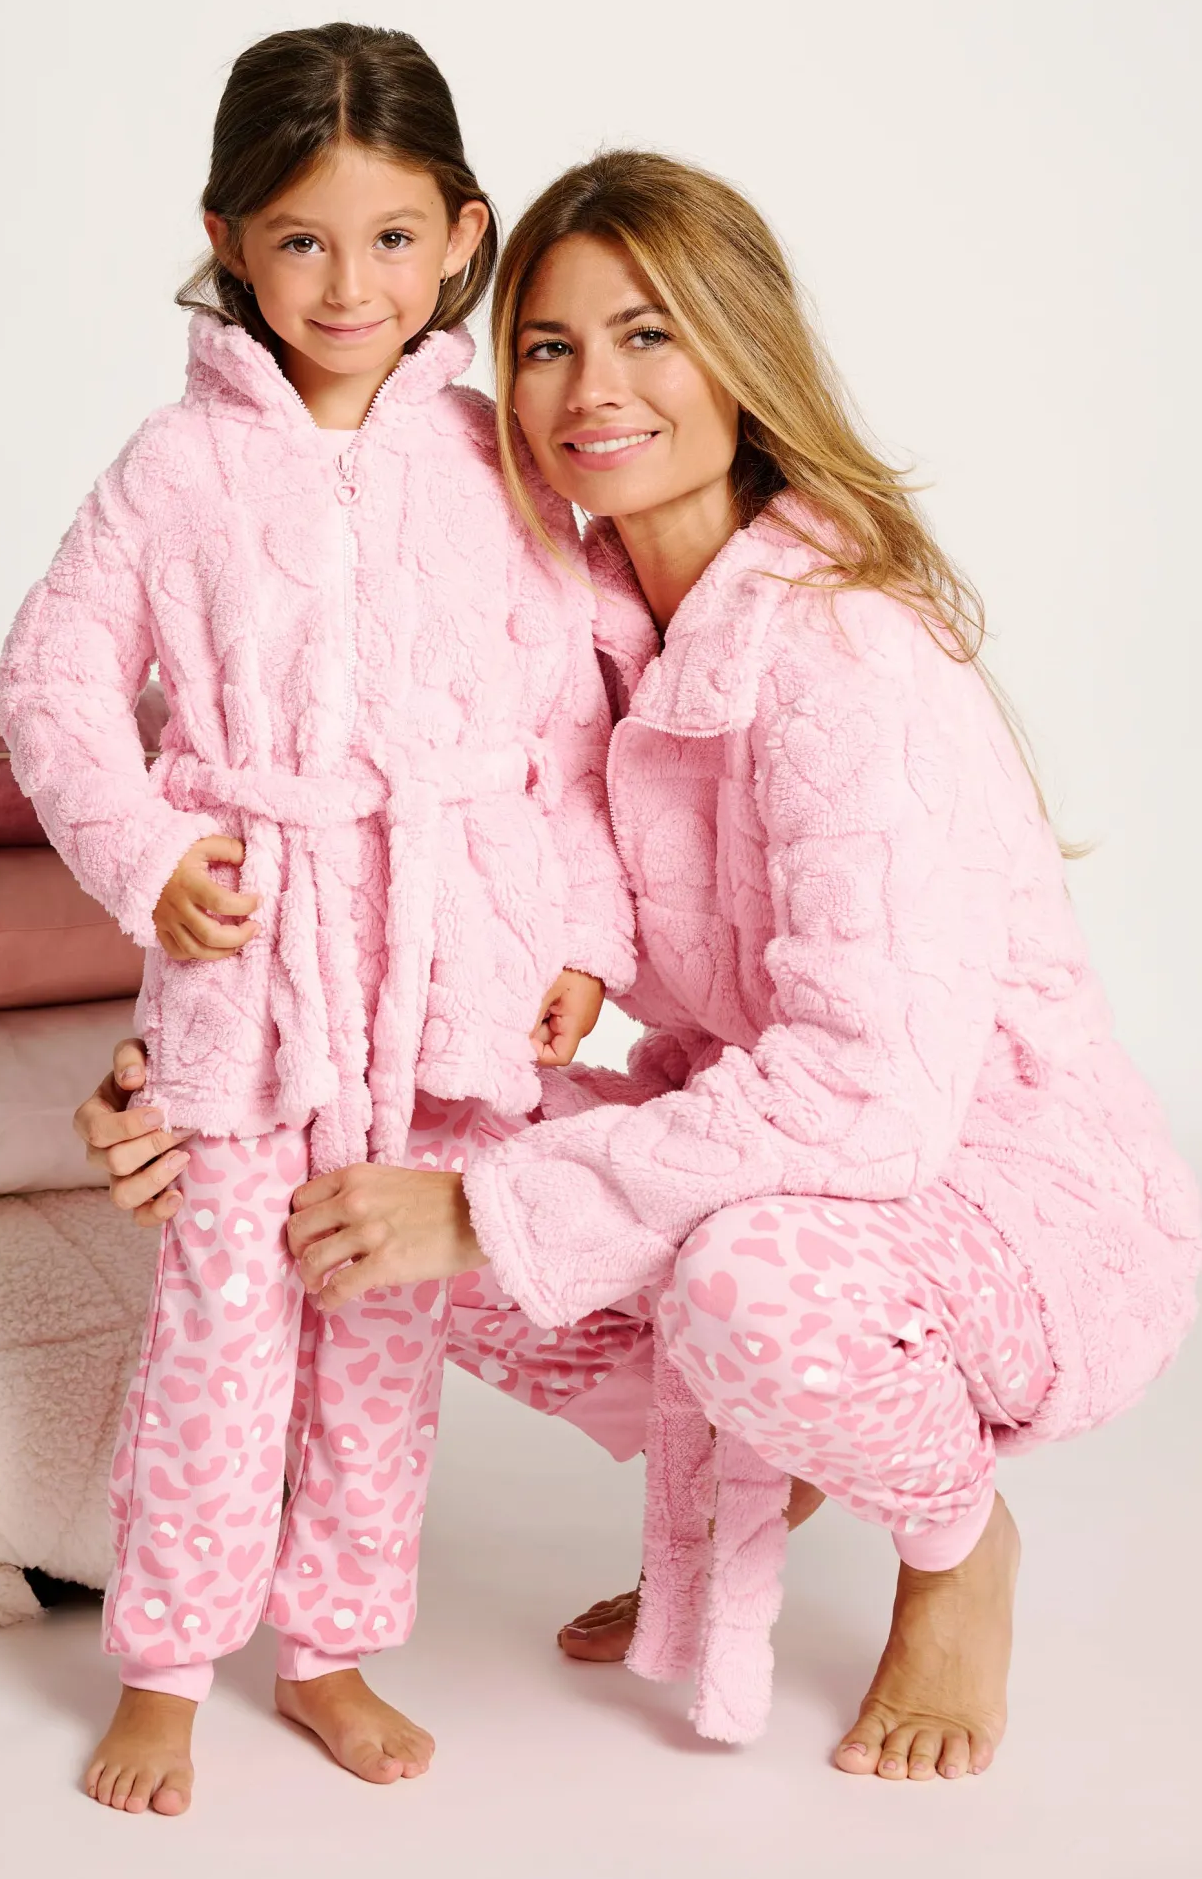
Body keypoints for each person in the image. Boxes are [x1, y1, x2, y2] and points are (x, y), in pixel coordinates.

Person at [80, 148, 1199, 1784]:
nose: (593, 388)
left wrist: (486, 1207)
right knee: (365, 1160)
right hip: (772, 1144)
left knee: (717, 1277)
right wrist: (184, 1063)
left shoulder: (848, 659)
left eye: (649, 333)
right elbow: (308, 825)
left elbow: (869, 1096)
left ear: (743, 354)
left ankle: (957, 1542)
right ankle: (749, 1464)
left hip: (986, 1187)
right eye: (548, 344)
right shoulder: (570, 610)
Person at [0, 27, 635, 1817]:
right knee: (220, 1318)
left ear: (463, 235)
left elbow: (575, 720)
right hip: (252, 967)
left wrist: (578, 931)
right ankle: (165, 1663)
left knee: (384, 1327)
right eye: (300, 239)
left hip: (444, 971)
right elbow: (51, 676)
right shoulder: (174, 469)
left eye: (391, 237)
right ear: (227, 237)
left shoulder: (501, 461)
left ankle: (331, 1647)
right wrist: (146, 851)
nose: (349, 284)